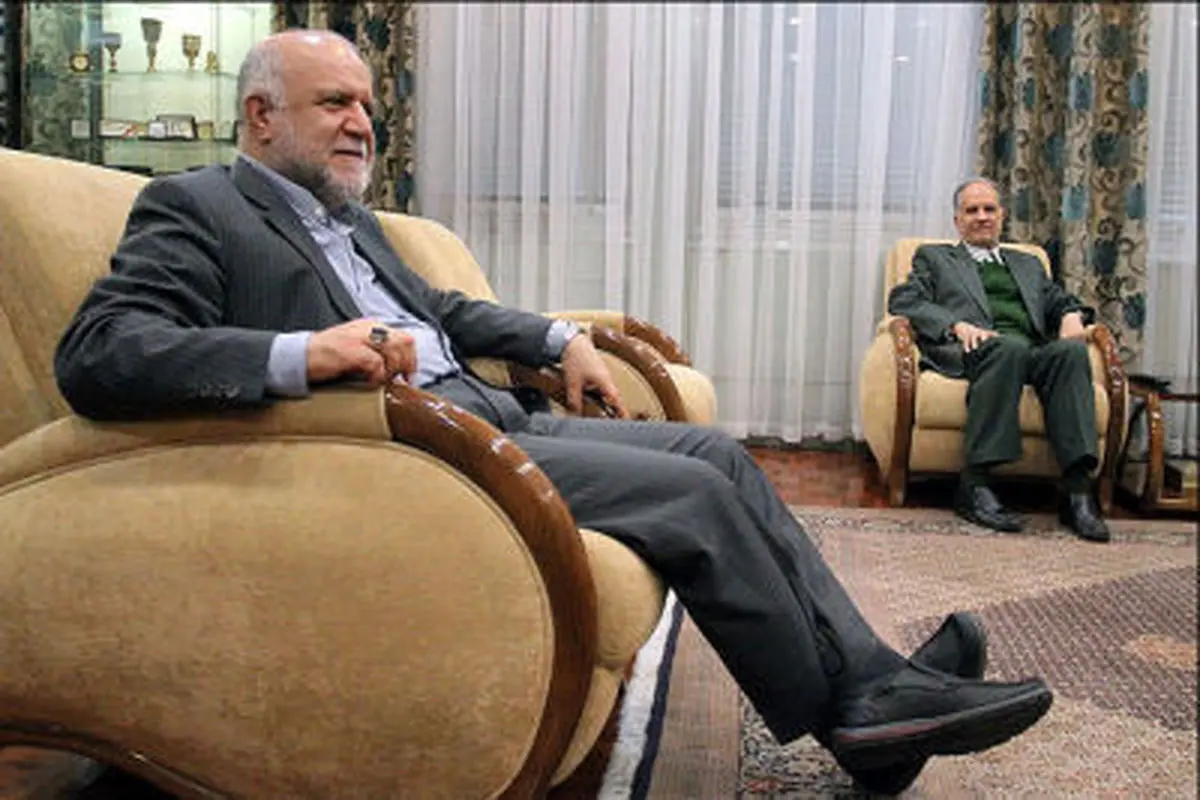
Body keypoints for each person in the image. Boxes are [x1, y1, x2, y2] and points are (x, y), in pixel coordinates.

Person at [54, 31, 1053, 796]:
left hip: (492, 413)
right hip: (414, 455)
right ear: (261, 116)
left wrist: (554, 336)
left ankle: (872, 680)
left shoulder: (350, 221)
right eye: (334, 103)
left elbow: (444, 313)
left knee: (716, 453)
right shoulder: (200, 206)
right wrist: (300, 353)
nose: (361, 122)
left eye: (366, 104)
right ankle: (857, 718)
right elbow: (101, 352)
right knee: (693, 495)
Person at [888, 179, 1111, 543]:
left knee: (1071, 352)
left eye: (989, 209)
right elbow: (905, 300)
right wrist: (956, 325)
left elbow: (1057, 299)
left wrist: (1071, 315)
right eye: (972, 210)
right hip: (975, 349)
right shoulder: (936, 258)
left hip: (1030, 351)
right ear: (958, 220)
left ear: (1002, 216)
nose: (982, 217)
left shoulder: (1027, 263)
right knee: (1007, 348)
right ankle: (975, 485)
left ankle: (1076, 492)